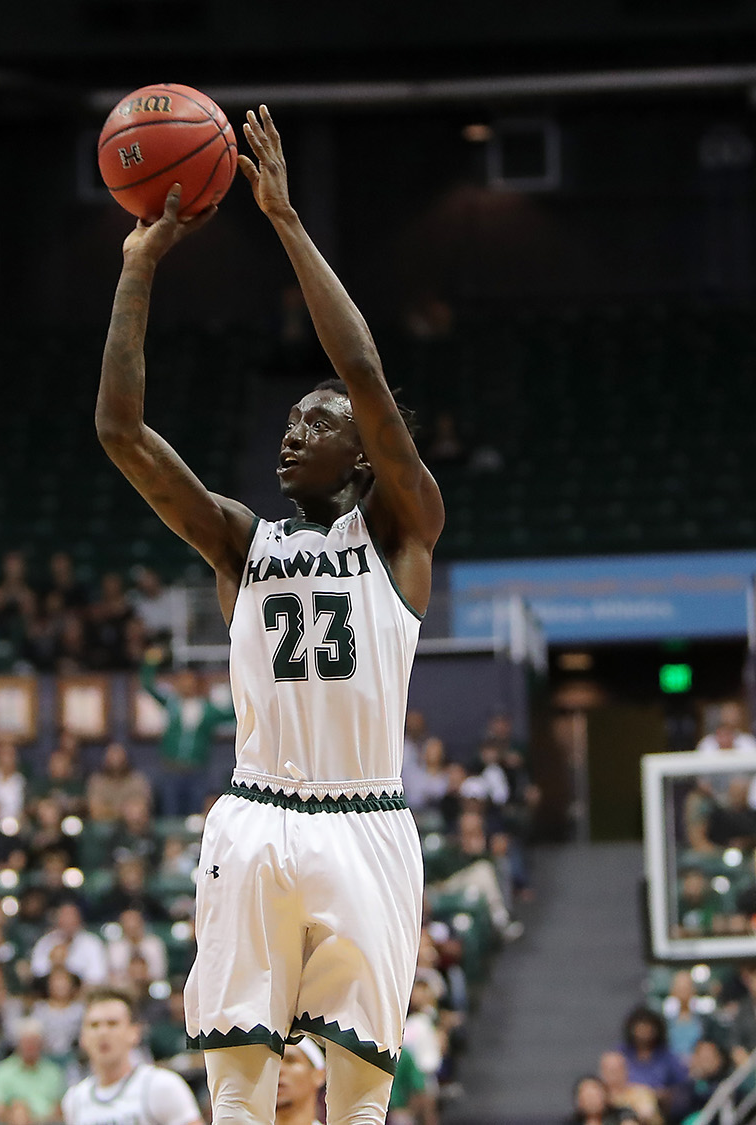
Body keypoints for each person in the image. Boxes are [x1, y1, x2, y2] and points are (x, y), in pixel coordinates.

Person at [98, 105, 442, 1125]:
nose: (291, 434)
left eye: (315, 423)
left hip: (364, 815)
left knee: (359, 1099)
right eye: (288, 420)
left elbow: (363, 373)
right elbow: (120, 432)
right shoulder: (241, 544)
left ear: (365, 452)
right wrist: (136, 269)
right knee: (238, 1094)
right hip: (256, 811)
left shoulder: (401, 532)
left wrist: (284, 221)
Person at [61, 988, 204, 1125]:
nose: (102, 1032)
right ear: (82, 1037)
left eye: (112, 1024)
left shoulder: (160, 1086)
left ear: (134, 1032)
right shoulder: (75, 1099)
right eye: (94, 1025)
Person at [140, 649, 235, 818]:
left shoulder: (207, 709)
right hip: (172, 769)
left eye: (190, 679)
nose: (186, 684)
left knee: (195, 815)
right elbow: (148, 686)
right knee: (171, 814)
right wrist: (150, 662)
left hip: (197, 771)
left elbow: (231, 713)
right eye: (182, 680)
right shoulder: (172, 704)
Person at [0, 1018, 67, 1125]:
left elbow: (62, 1107)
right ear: (18, 1043)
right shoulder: (1, 1072)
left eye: (34, 1042)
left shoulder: (54, 1072)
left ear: (41, 1044)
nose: (30, 1046)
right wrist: (13, 1116)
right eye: (27, 1042)